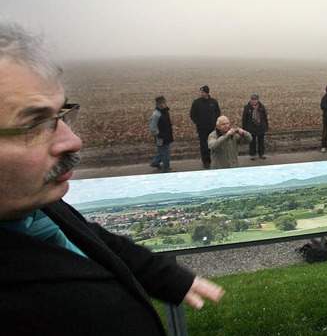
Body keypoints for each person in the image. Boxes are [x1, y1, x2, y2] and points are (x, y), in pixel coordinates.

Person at [0, 22, 224, 334]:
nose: (74, 141)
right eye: (35, 124)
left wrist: (166, 276)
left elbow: (94, 239)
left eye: (62, 115)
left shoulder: (38, 208)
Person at [190, 85, 221, 169]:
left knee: (214, 144)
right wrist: (198, 123)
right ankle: (206, 161)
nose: (201, 94)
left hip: (212, 128)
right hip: (202, 129)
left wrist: (216, 123)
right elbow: (192, 115)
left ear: (207, 93)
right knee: (204, 145)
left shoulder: (213, 102)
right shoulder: (196, 103)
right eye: (200, 92)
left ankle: (215, 159)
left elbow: (218, 113)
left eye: (202, 92)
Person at [149, 95, 174, 173]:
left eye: (165, 102)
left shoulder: (165, 112)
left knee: (162, 153)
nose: (165, 104)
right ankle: (166, 168)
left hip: (167, 136)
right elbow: (153, 129)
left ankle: (154, 163)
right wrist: (161, 135)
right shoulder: (156, 115)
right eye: (163, 102)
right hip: (161, 138)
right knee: (165, 154)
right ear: (159, 104)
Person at [242, 93, 269, 160]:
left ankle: (261, 154)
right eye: (252, 99)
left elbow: (265, 117)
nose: (254, 101)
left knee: (261, 142)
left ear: (258, 100)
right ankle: (252, 154)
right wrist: (244, 128)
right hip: (251, 128)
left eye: (255, 99)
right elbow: (244, 118)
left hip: (261, 127)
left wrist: (266, 126)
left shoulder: (261, 107)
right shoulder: (247, 107)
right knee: (252, 142)